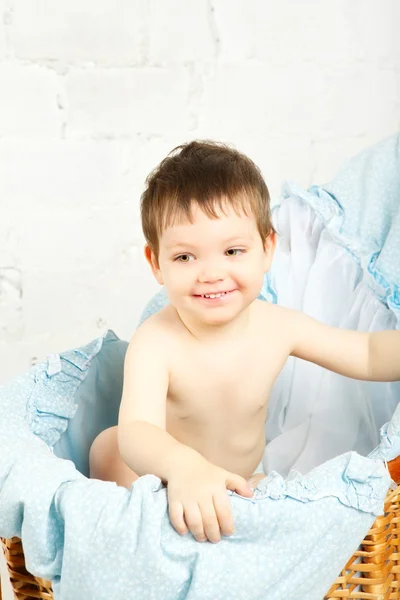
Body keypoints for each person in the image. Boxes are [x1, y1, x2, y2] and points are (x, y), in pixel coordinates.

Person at [89, 140, 400, 545]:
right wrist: (183, 468)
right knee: (108, 449)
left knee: (269, 504)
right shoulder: (156, 342)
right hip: (156, 476)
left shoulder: (277, 326)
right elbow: (138, 431)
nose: (211, 273)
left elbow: (364, 352)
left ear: (267, 249)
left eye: (233, 250)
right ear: (156, 264)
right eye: (185, 257)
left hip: (233, 481)